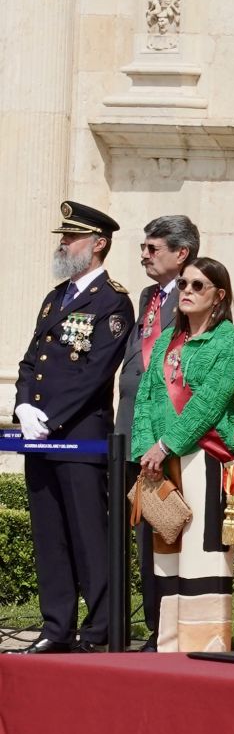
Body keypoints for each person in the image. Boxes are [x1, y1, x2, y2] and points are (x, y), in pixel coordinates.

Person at [11, 202, 134, 654]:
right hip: (40, 437)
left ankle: (100, 629)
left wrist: (51, 418)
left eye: (72, 237)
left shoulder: (112, 301)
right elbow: (31, 360)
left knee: (88, 536)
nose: (63, 243)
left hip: (80, 437)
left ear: (98, 244)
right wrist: (24, 406)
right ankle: (56, 627)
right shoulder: (55, 297)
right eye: (64, 236)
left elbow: (96, 371)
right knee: (50, 537)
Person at [131, 257, 234, 653]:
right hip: (160, 462)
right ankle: (168, 644)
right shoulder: (168, 339)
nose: (187, 291)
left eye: (198, 285)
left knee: (202, 553)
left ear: (219, 295)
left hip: (204, 456)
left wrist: (165, 445)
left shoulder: (229, 342)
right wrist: (147, 450)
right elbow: (146, 397)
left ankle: (203, 645)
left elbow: (208, 404)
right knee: (165, 553)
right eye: (183, 284)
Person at [119, 214, 198, 649]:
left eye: (153, 248)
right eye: (143, 248)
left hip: (168, 431)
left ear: (181, 253)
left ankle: (171, 625)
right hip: (132, 424)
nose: (144, 256)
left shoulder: (194, 293)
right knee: (143, 531)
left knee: (168, 528)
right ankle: (154, 624)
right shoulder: (149, 295)